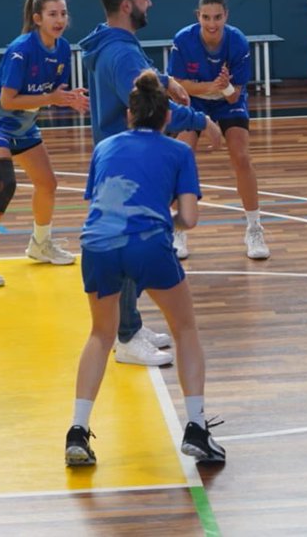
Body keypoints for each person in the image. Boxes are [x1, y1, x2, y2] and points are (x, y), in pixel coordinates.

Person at [65, 70, 224, 466]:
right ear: (166, 118)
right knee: (184, 329)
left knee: (101, 335)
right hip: (148, 244)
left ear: (129, 115)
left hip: (97, 245)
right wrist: (163, 217)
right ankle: (197, 428)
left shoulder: (104, 148)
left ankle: (78, 431)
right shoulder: (179, 153)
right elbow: (189, 218)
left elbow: (98, 204)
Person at [79, 0, 224, 367]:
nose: (150, 3)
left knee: (128, 238)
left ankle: (130, 325)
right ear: (127, 5)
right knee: (131, 240)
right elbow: (146, 106)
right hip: (130, 160)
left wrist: (165, 78)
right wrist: (201, 121)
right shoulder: (122, 51)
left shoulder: (113, 42)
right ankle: (124, 338)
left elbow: (139, 79)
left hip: (121, 156)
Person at [0, 0, 89, 288]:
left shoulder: (62, 48)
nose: (60, 19)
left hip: (24, 124)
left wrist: (67, 99)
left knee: (47, 184)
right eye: (52, 14)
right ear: (37, 18)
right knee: (5, 183)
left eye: (63, 13)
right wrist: (54, 98)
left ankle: (40, 244)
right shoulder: (21, 49)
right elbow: (7, 100)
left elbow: (49, 95)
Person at [168, 0, 269, 260]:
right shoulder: (183, 40)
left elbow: (235, 93)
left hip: (227, 102)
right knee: (181, 155)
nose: (212, 23)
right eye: (206, 17)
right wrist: (208, 86)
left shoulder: (237, 42)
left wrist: (223, 88)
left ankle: (254, 228)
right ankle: (178, 230)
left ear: (226, 16)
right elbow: (175, 85)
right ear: (197, 16)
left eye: (217, 17)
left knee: (242, 156)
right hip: (194, 101)